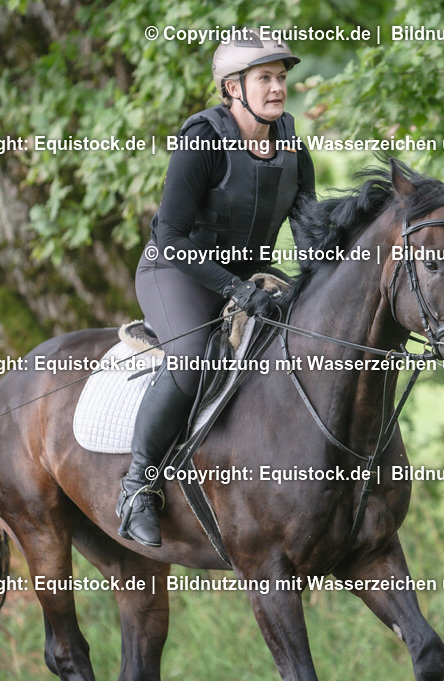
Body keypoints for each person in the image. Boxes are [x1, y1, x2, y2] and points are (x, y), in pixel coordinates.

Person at [116, 31, 315, 547]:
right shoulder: (202, 140)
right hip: (175, 273)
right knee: (190, 358)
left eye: (281, 78)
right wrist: (234, 287)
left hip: (247, 281)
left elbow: (309, 228)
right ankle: (137, 484)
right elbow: (171, 237)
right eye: (265, 78)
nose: (277, 89)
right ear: (233, 88)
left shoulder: (291, 143)